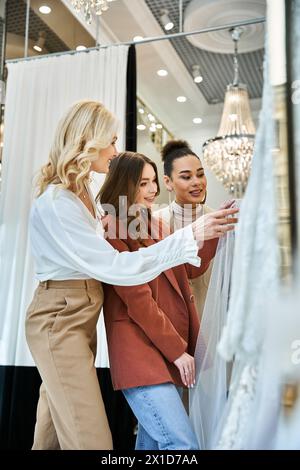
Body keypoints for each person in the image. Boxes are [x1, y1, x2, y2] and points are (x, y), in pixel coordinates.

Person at [25, 100, 238, 450]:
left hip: (80, 315)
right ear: (86, 142)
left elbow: (179, 268)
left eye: (154, 181)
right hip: (64, 316)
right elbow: (121, 273)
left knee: (50, 432)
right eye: (109, 141)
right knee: (90, 437)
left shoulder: (97, 203)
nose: (114, 149)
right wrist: (194, 233)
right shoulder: (63, 205)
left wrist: (211, 232)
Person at [99, 152, 238, 450]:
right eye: (143, 183)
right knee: (182, 445)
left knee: (152, 448)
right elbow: (138, 300)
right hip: (141, 350)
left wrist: (213, 230)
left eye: (152, 183)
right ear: (125, 184)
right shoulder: (113, 225)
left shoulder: (154, 223)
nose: (152, 191)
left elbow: (187, 268)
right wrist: (178, 351)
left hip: (165, 347)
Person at [155, 140, 216, 323]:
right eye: (186, 177)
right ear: (168, 182)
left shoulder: (218, 221)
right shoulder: (154, 222)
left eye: (200, 175)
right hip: (168, 323)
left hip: (211, 321)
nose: (197, 183)